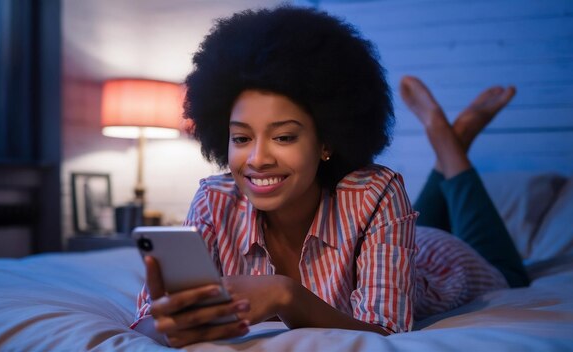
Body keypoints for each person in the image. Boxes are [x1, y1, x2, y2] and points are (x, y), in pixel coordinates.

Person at [130, 6, 529, 347]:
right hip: (394, 237)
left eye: (284, 136)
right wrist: (168, 323)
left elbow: (386, 329)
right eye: (241, 137)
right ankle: (448, 152)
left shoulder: (377, 192)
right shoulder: (214, 200)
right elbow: (148, 320)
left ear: (326, 142)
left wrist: (286, 295)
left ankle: (450, 147)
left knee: (509, 271)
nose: (257, 159)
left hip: (439, 260)